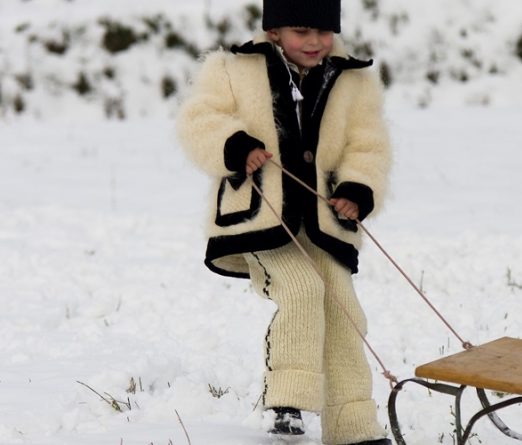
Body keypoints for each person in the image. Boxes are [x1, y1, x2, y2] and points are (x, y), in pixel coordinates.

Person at [175, 0, 392, 443]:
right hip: (260, 220)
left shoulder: (352, 79)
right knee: (301, 289)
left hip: (323, 222)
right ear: (273, 30)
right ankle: (287, 403)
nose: (314, 42)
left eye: (323, 31)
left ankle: (353, 426)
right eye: (300, 31)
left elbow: (368, 144)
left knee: (344, 311)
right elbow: (198, 121)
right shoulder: (232, 69)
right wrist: (234, 145)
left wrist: (358, 187)